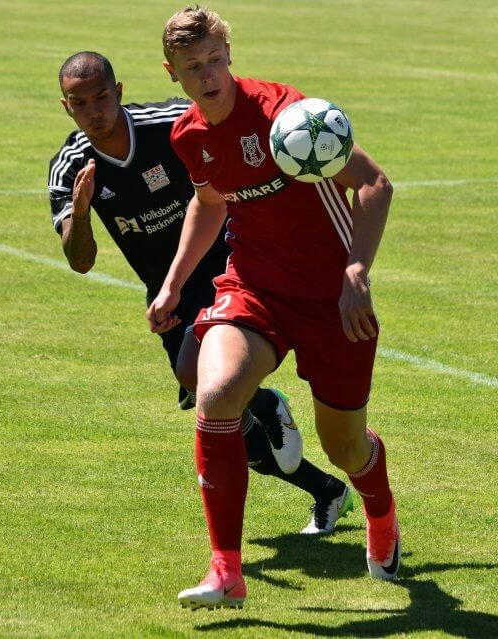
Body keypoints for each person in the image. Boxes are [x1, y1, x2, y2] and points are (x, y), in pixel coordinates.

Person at [147, 6, 400, 610]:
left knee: (344, 447)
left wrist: (356, 270)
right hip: (253, 288)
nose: (208, 75)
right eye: (193, 67)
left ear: (229, 55)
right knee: (214, 396)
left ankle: (380, 510)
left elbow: (374, 184)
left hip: (330, 300)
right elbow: (210, 203)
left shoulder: (290, 116)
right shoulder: (189, 136)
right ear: (173, 72)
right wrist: (175, 283)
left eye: (215, 60)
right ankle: (226, 572)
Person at [48, 50, 354, 538]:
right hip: (171, 293)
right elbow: (80, 260)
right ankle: (325, 489)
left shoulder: (170, 123)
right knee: (224, 418)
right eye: (80, 103)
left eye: (101, 98)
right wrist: (81, 214)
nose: (94, 111)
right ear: (66, 108)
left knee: (204, 385)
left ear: (119, 92)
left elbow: (231, 137)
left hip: (233, 265)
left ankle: (267, 409)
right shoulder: (70, 167)